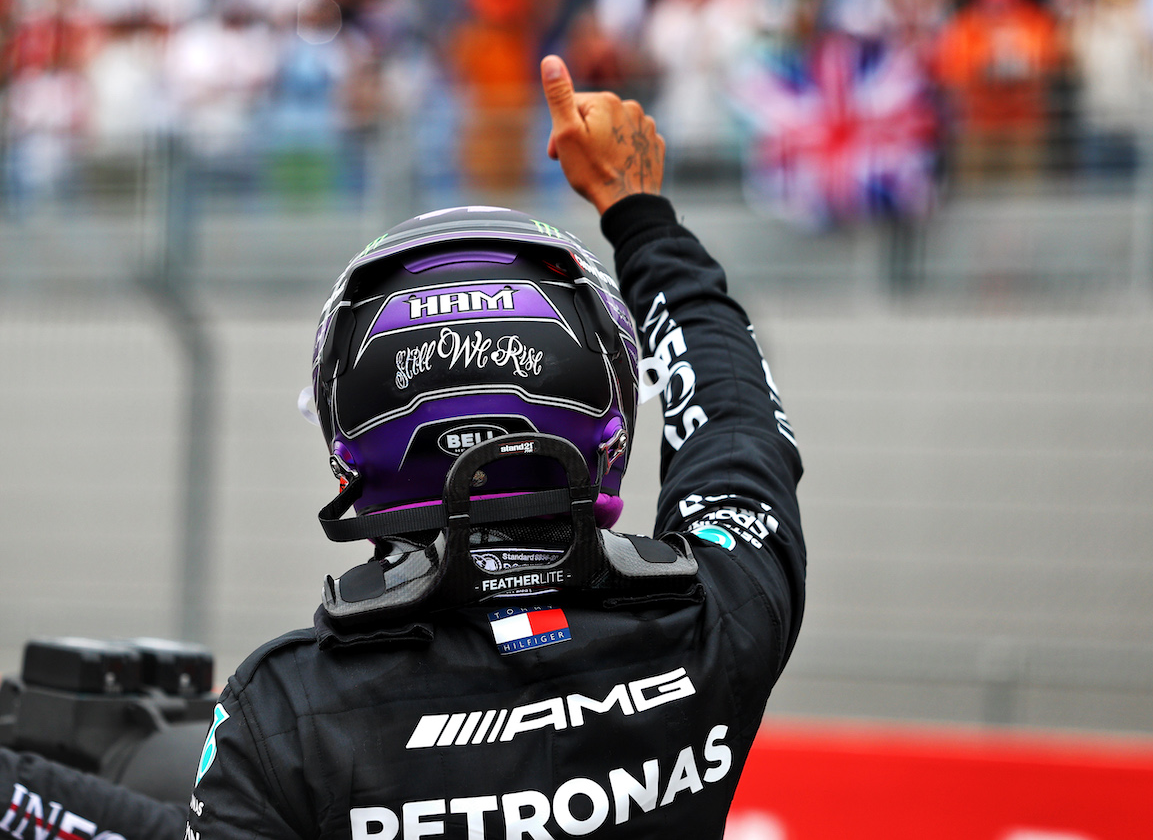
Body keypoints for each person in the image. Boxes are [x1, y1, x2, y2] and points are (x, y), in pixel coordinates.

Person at [0, 53, 805, 840]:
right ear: (607, 410)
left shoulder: (291, 713)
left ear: (351, 439)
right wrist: (640, 211)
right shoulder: (718, 615)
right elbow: (736, 418)